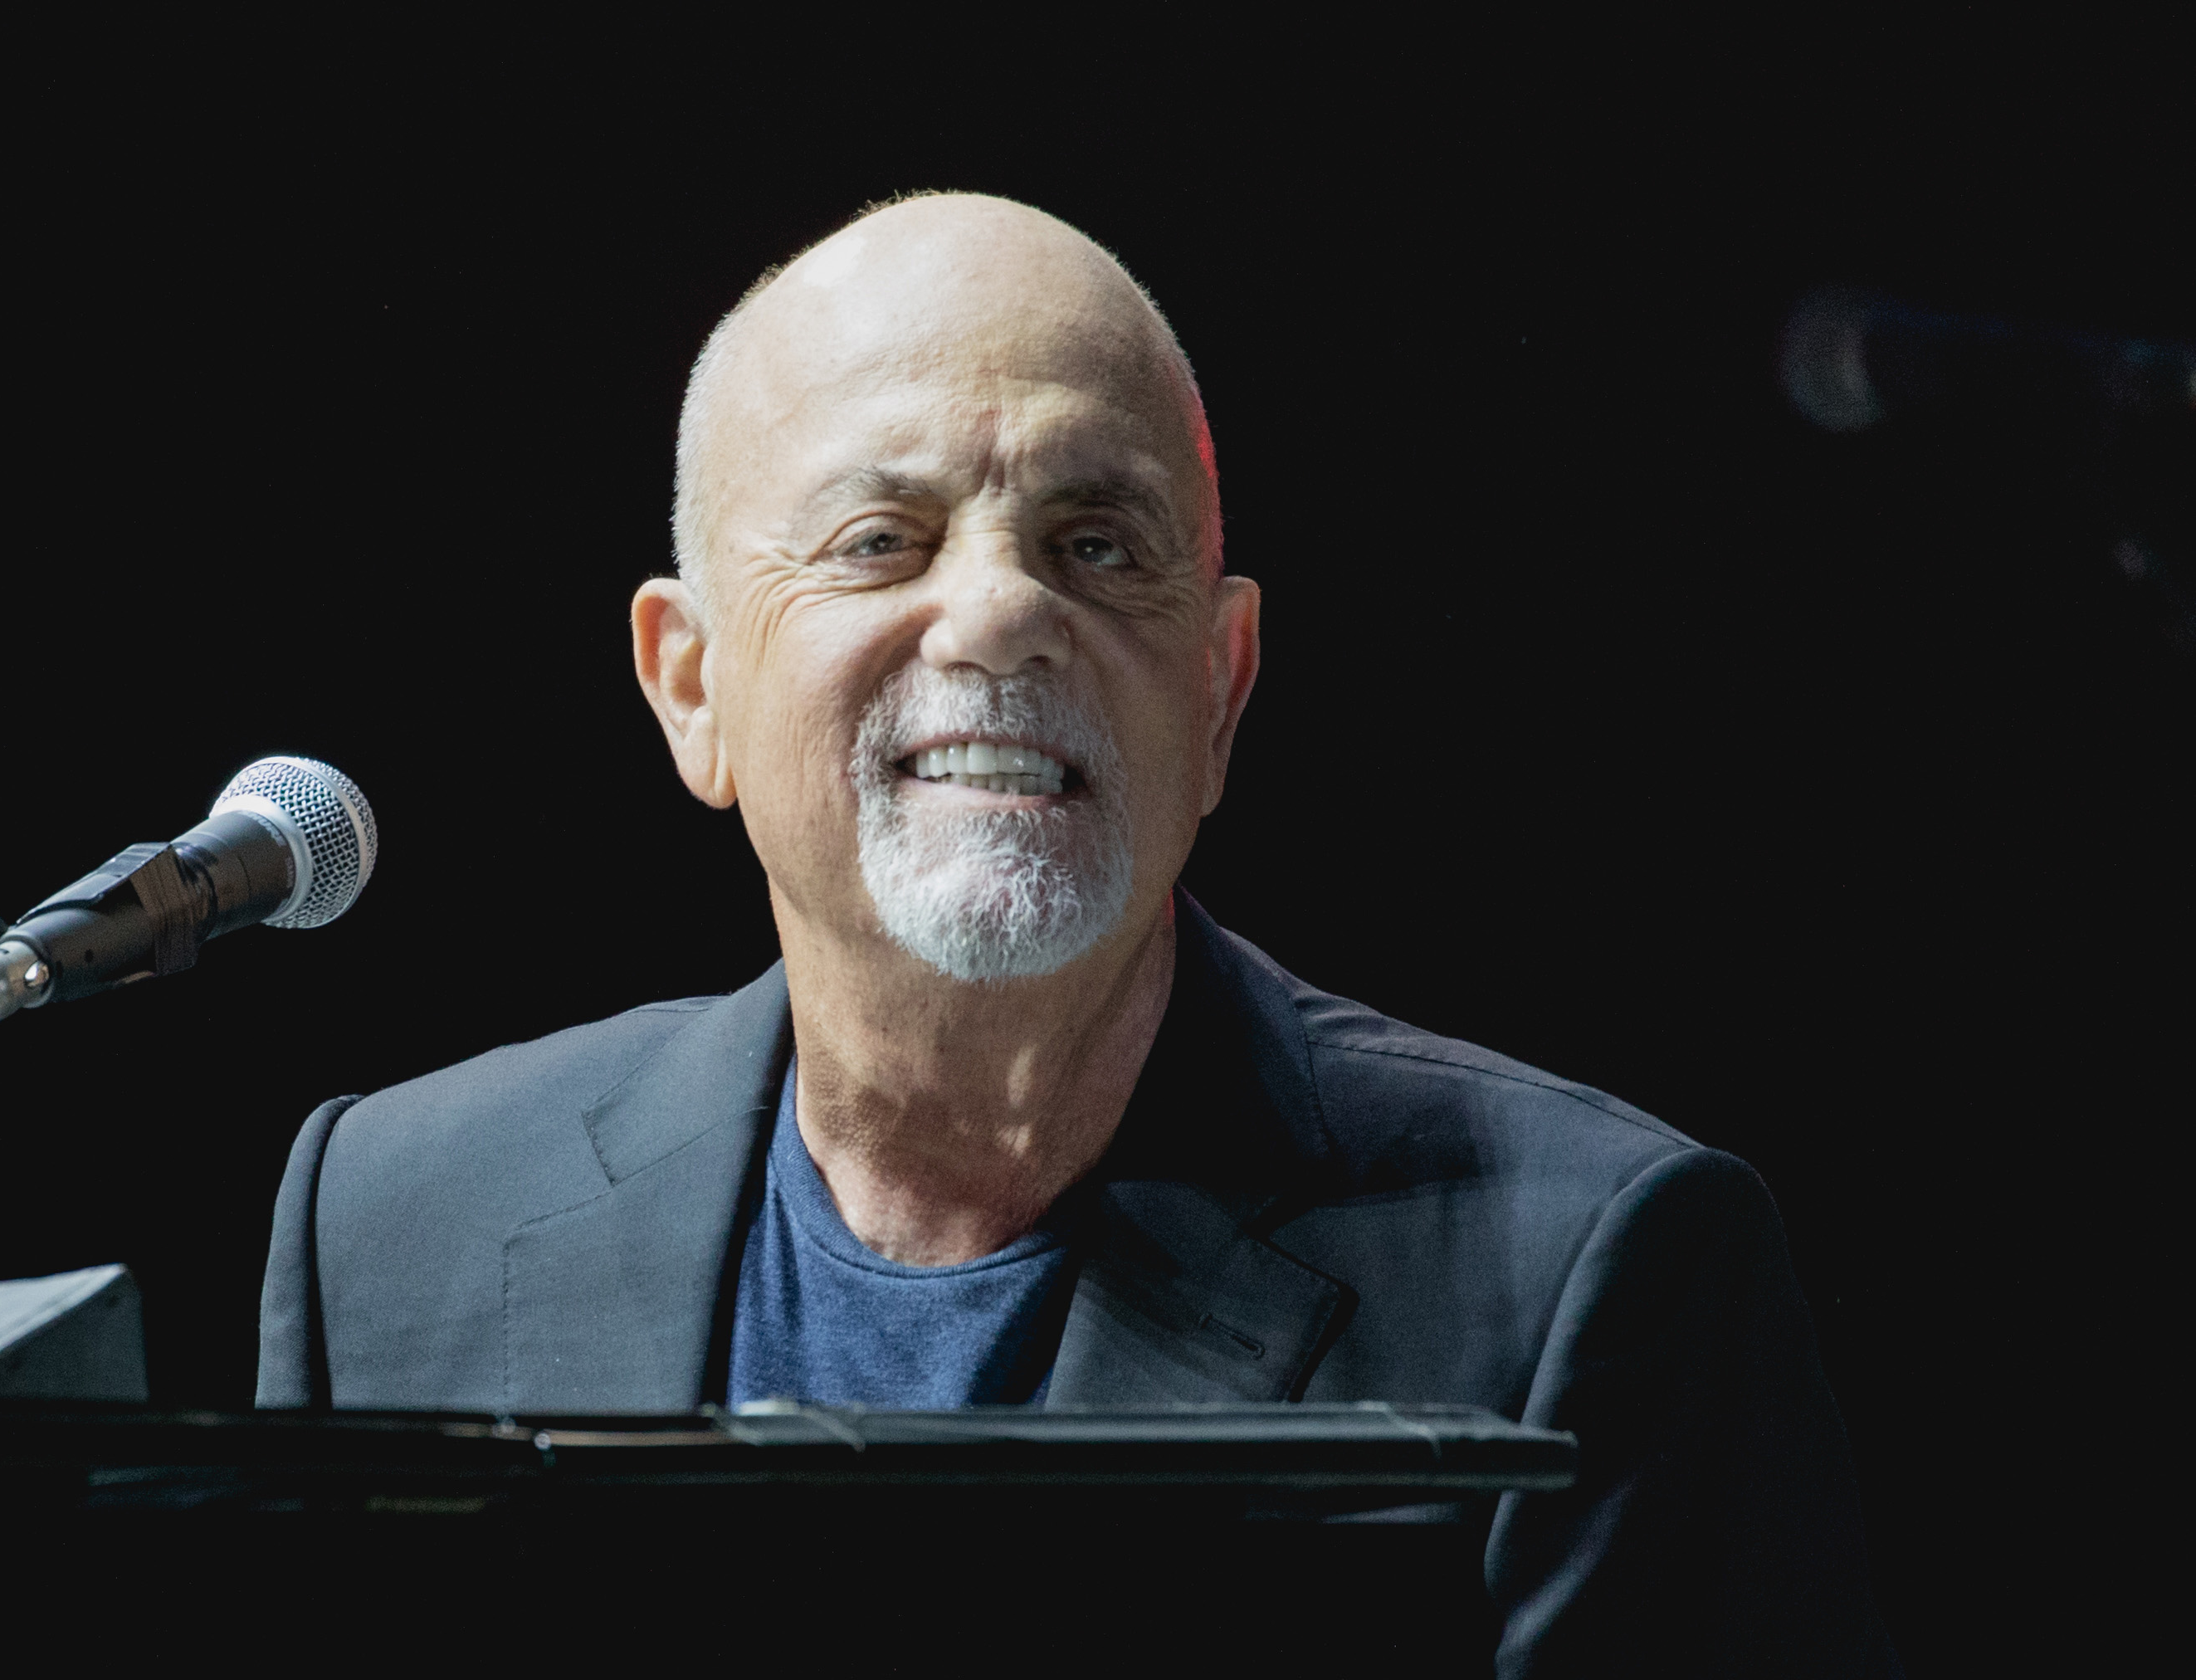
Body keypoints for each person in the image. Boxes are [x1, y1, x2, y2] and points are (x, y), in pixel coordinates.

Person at [258, 193, 1896, 1673]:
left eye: (1096, 546)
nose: (999, 612)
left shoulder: (1593, 1277)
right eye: (879, 541)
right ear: (691, 685)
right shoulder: (394, 1222)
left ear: (1221, 688)